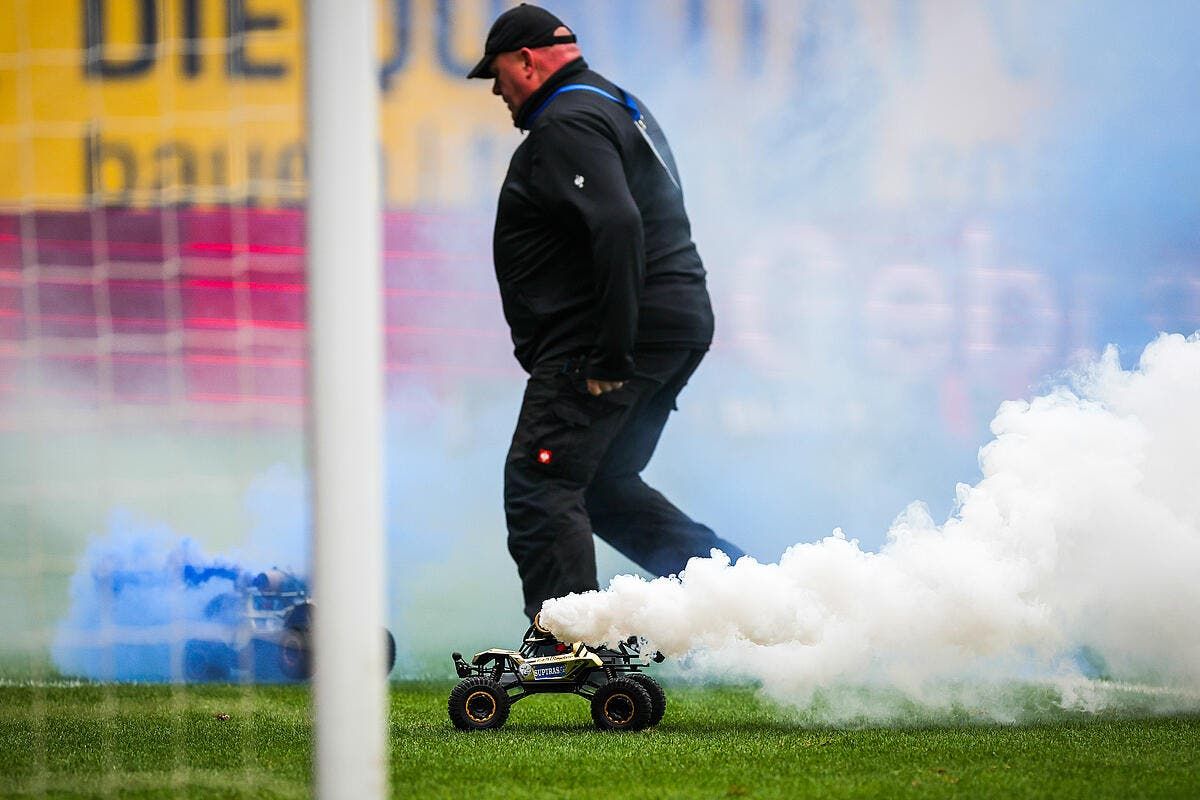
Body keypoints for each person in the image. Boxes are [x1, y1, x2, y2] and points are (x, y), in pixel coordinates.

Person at [468, 3, 745, 620]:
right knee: (604, 489)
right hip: (672, 324)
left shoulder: (568, 119)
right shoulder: (615, 102)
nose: (496, 90)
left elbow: (618, 223)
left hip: (614, 340)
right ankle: (755, 604)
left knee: (543, 483)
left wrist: (611, 350)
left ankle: (569, 643)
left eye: (497, 74)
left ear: (527, 61)